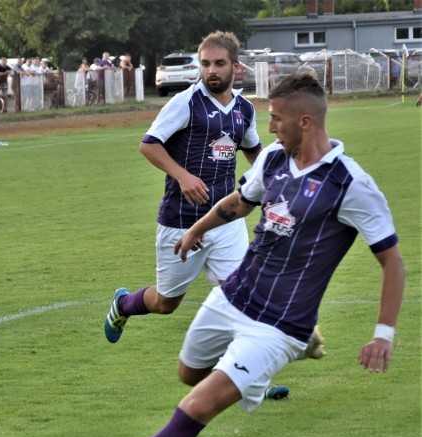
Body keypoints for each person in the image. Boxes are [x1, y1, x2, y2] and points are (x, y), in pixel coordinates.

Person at [75, 71, 405, 437]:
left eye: (278, 119)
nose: (270, 127)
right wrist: (196, 229)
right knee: (188, 374)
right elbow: (238, 202)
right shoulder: (272, 159)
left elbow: (392, 261)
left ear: (306, 122)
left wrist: (383, 334)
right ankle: (249, 376)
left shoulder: (351, 184)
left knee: (198, 404)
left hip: (280, 325)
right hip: (233, 297)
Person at [104, 32, 325, 372]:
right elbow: (149, 144)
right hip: (181, 220)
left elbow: (253, 151)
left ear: (235, 67)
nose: (211, 71)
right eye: (205, 63)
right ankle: (124, 304)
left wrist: (282, 179)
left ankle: (248, 378)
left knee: (241, 299)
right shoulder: (185, 103)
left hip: (226, 221)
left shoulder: (244, 109)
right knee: (166, 303)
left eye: (219, 63)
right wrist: (183, 176)